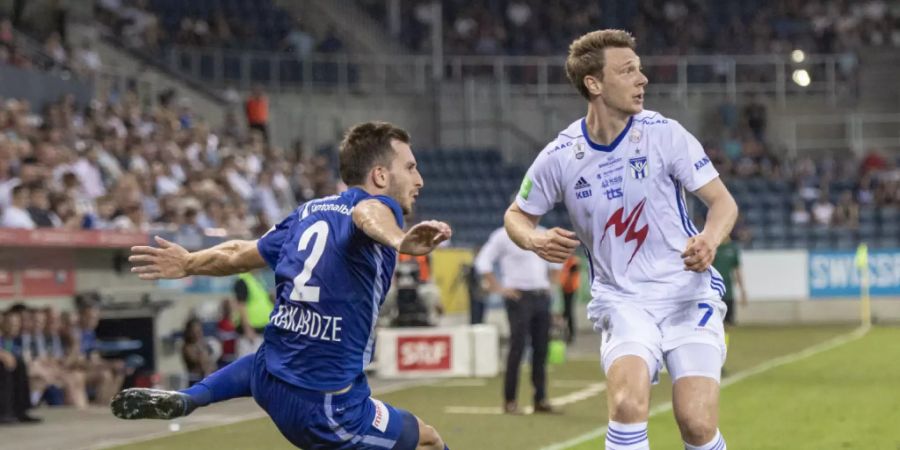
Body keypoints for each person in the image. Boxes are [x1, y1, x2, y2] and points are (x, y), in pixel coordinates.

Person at [112, 121, 452, 450]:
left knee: (265, 359)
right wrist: (400, 239)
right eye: (410, 168)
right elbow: (367, 214)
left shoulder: (307, 212)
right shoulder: (379, 207)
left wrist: (188, 262)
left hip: (269, 378)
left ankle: (192, 397)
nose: (419, 180)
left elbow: (238, 253)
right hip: (326, 406)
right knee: (427, 441)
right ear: (380, 175)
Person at [503, 30, 738, 450]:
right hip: (622, 300)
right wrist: (534, 239)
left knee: (696, 423)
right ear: (594, 84)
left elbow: (723, 204)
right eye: (628, 70)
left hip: (687, 295)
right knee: (628, 404)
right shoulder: (561, 156)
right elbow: (516, 215)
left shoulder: (665, 134)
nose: (642, 78)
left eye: (640, 68)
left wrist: (709, 237)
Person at [474, 226, 560, 415]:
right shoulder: (503, 236)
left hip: (541, 296)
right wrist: (500, 288)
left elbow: (556, 262)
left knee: (541, 349)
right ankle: (510, 400)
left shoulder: (544, 233)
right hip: (518, 297)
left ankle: (541, 398)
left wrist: (551, 285)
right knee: (517, 347)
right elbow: (483, 262)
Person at [711, 236, 747, 345]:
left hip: (728, 291)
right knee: (716, 324)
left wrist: (743, 291)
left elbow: (737, 270)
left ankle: (724, 348)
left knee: (729, 324)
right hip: (714, 292)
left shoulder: (733, 249)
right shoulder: (713, 247)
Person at [559, 254, 581, 343]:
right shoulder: (566, 261)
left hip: (571, 289)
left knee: (568, 312)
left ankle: (571, 334)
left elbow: (574, 268)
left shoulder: (573, 260)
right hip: (565, 288)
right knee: (566, 312)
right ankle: (568, 334)